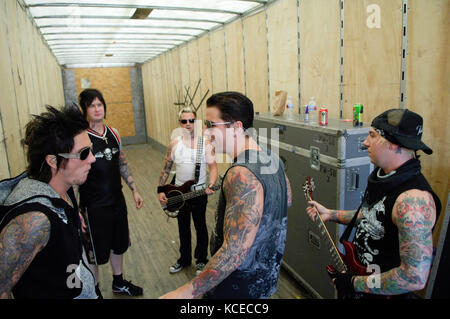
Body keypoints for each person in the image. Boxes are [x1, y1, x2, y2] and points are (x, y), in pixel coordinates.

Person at [161, 91, 292, 299]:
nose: (205, 132)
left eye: (212, 125)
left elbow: (234, 252)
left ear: (236, 127)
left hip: (236, 288)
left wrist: (184, 293)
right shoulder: (273, 160)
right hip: (265, 281)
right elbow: (286, 201)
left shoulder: (241, 172)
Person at [306, 108, 441, 298]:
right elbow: (373, 216)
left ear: (394, 144)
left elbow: (413, 277)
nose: (365, 142)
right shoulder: (383, 176)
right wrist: (331, 214)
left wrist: (354, 283)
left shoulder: (413, 201)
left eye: (372, 135)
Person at [0, 105, 98, 299]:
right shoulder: (33, 222)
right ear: (53, 161)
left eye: (91, 150)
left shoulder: (63, 186)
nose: (93, 159)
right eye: (84, 153)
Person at [78, 88, 144, 297]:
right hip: (93, 206)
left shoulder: (114, 133)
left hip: (117, 200)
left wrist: (134, 189)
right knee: (95, 253)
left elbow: (122, 163)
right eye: (92, 105)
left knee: (119, 244)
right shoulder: (81, 139)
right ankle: (95, 290)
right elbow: (71, 175)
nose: (97, 109)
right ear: (85, 110)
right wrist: (73, 208)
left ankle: (118, 282)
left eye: (100, 104)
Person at [157, 107, 218, 275]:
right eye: (184, 121)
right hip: (179, 193)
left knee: (200, 226)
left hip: (199, 193)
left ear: (195, 122)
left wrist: (211, 184)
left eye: (191, 120)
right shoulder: (175, 143)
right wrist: (160, 189)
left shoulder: (204, 144)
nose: (188, 124)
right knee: (182, 227)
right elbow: (166, 168)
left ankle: (201, 260)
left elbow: (213, 168)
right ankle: (184, 259)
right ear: (180, 123)